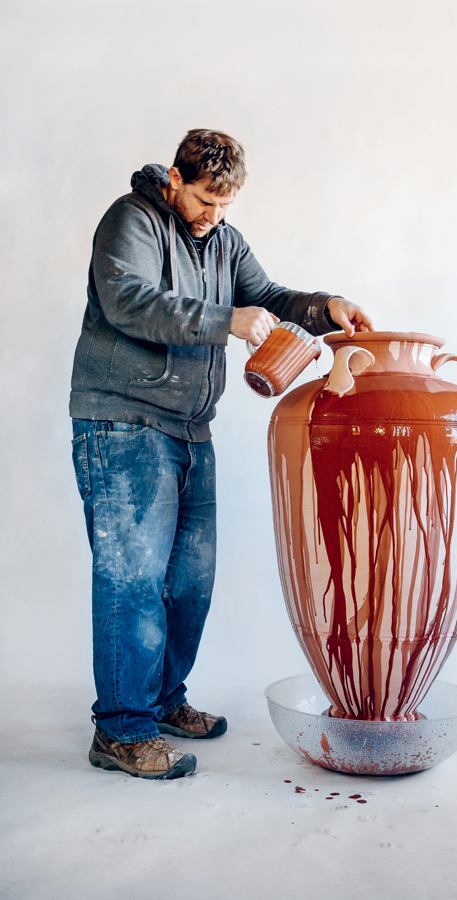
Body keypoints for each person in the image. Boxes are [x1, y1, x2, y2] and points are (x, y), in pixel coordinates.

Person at [70, 129, 373, 780]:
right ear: (175, 179)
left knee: (189, 584)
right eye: (207, 200)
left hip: (188, 429)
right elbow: (129, 302)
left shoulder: (223, 241)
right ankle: (121, 731)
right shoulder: (132, 222)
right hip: (123, 424)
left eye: (227, 206)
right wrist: (223, 320)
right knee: (132, 582)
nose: (216, 216)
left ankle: (160, 702)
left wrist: (326, 307)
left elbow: (268, 297)